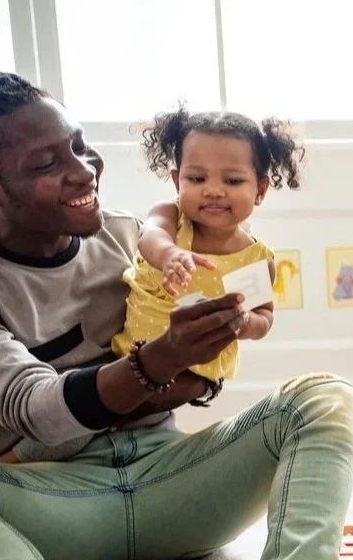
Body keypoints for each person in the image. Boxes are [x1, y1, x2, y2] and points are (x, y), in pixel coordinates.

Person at [0, 72, 353, 560]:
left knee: (326, 396)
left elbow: (206, 366)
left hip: (171, 480)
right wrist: (157, 363)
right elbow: (30, 406)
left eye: (79, 145)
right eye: (47, 163)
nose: (84, 169)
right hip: (56, 501)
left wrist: (218, 346)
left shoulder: (128, 237)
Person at [112, 107, 302, 388]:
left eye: (232, 180)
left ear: (260, 190)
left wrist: (247, 322)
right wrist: (169, 254)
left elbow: (265, 314)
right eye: (197, 179)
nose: (213, 190)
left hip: (198, 374)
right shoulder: (171, 217)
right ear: (178, 182)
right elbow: (149, 236)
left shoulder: (255, 260)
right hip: (135, 360)